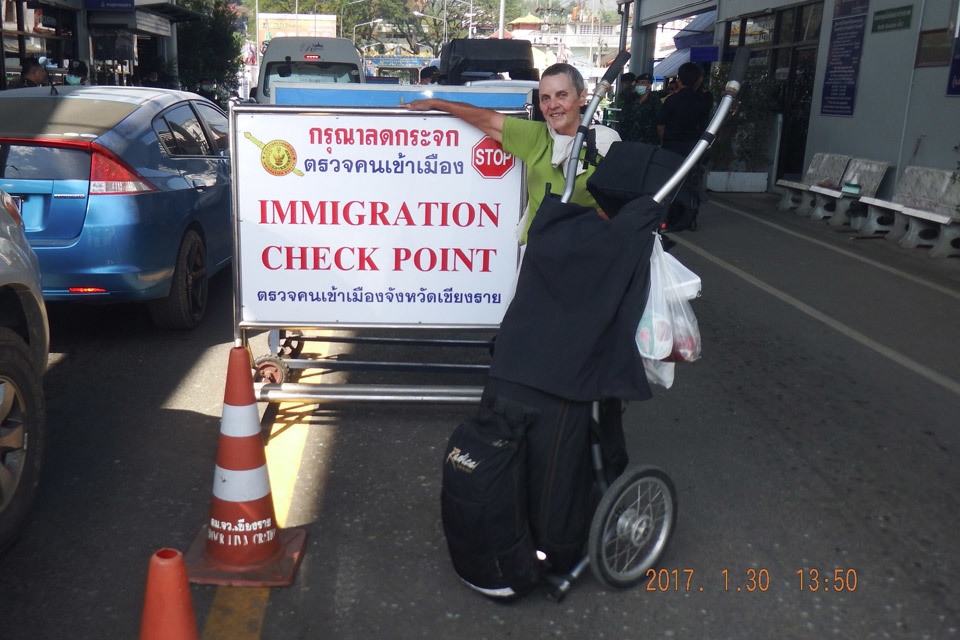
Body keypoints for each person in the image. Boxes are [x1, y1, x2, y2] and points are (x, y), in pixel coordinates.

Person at [404, 62, 620, 244]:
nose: (553, 105)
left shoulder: (605, 143)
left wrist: (577, 226)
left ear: (582, 97)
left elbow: (623, 210)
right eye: (545, 98)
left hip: (590, 255)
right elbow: (485, 119)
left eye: (562, 95)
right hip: (539, 256)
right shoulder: (536, 137)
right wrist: (436, 103)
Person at [616, 72, 661, 145]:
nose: (640, 85)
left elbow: (660, 123)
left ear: (649, 86)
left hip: (648, 142)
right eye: (638, 83)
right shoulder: (632, 100)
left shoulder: (655, 102)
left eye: (643, 83)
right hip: (629, 140)